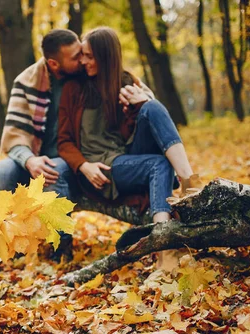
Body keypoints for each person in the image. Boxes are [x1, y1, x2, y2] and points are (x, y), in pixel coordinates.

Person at [57, 27, 201, 269]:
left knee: (152, 106)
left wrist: (139, 103)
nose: (83, 61)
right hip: (102, 167)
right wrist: (83, 165)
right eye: (82, 55)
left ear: (106, 57)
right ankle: (164, 251)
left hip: (127, 156)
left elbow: (152, 121)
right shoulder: (74, 89)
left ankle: (190, 184)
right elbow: (64, 141)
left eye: (89, 56)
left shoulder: (125, 81)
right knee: (159, 164)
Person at [0, 29, 84, 260]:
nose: (82, 58)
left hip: (69, 159)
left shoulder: (87, 73)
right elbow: (14, 137)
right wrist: (29, 160)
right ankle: (15, 246)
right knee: (1, 171)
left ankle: (60, 248)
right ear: (54, 63)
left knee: (50, 170)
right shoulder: (27, 82)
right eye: (75, 56)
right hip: (34, 158)